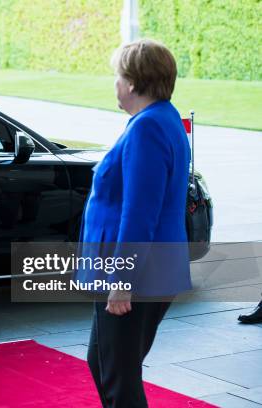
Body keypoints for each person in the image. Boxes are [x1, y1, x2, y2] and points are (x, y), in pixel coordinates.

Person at [75, 39, 192, 407]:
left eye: (118, 75)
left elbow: (140, 213)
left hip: (136, 273)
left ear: (134, 82)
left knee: (118, 378)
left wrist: (122, 281)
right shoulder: (160, 118)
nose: (115, 83)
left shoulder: (147, 128)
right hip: (152, 269)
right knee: (110, 366)